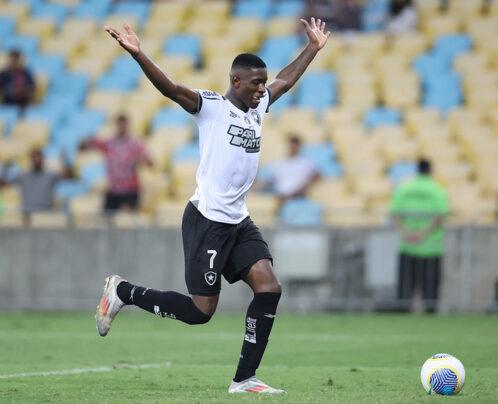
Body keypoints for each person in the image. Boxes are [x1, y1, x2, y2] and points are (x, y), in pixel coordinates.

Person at [95, 17, 330, 394]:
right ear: (235, 81)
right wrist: (139, 55)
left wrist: (313, 49)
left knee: (269, 287)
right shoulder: (211, 107)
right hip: (206, 221)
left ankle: (244, 379)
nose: (261, 89)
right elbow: (171, 88)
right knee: (200, 312)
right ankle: (124, 292)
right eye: (255, 82)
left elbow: (284, 81)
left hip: (239, 220)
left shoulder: (258, 106)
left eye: (262, 82)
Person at [390, 158, 449, 313]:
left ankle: (402, 312)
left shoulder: (404, 188)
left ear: (417, 170)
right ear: (430, 170)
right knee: (430, 287)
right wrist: (422, 235)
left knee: (406, 286)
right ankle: (430, 313)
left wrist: (407, 233)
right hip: (431, 246)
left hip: (407, 245)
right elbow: (439, 216)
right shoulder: (437, 190)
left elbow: (394, 214)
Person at [81, 114, 152, 213]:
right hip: (113, 189)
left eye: (124, 126)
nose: (122, 128)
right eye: (120, 125)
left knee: (125, 218)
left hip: (130, 190)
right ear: (117, 126)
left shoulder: (135, 144)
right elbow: (84, 146)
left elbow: (150, 162)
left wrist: (141, 161)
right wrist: (86, 139)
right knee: (106, 218)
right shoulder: (109, 143)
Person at [0, 149, 73, 217]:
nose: (37, 161)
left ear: (43, 160)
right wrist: (6, 168)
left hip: (46, 213)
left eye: (39, 158)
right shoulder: (23, 175)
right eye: (35, 158)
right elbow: (4, 184)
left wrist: (64, 161)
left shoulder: (50, 175)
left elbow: (69, 176)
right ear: (31, 160)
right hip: (27, 213)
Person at [265, 135, 320, 203]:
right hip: (280, 197)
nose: (293, 148)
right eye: (291, 145)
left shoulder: (306, 163)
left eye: (295, 146)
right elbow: (269, 181)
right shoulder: (280, 163)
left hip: (299, 198)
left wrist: (301, 190)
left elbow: (317, 176)